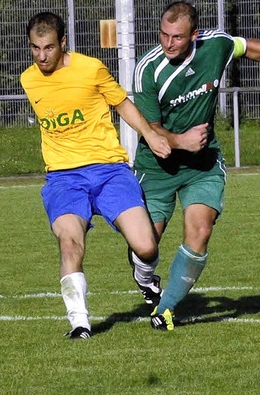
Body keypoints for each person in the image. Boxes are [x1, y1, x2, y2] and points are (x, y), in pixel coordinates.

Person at [20, 12, 172, 339]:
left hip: (109, 171)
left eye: (48, 48)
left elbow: (122, 104)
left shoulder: (91, 68)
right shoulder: (28, 79)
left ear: (63, 43)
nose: (41, 56)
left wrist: (150, 134)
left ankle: (145, 280)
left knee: (146, 247)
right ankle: (80, 323)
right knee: (69, 243)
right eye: (35, 48)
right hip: (63, 178)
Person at [132, 1, 260, 331]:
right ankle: (145, 273)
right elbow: (152, 129)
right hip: (158, 165)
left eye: (177, 37)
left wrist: (194, 146)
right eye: (163, 34)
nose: (168, 42)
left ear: (194, 34)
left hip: (202, 165)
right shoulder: (148, 69)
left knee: (200, 231)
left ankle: (166, 309)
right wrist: (182, 140)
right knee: (145, 245)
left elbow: (249, 48)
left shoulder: (215, 44)